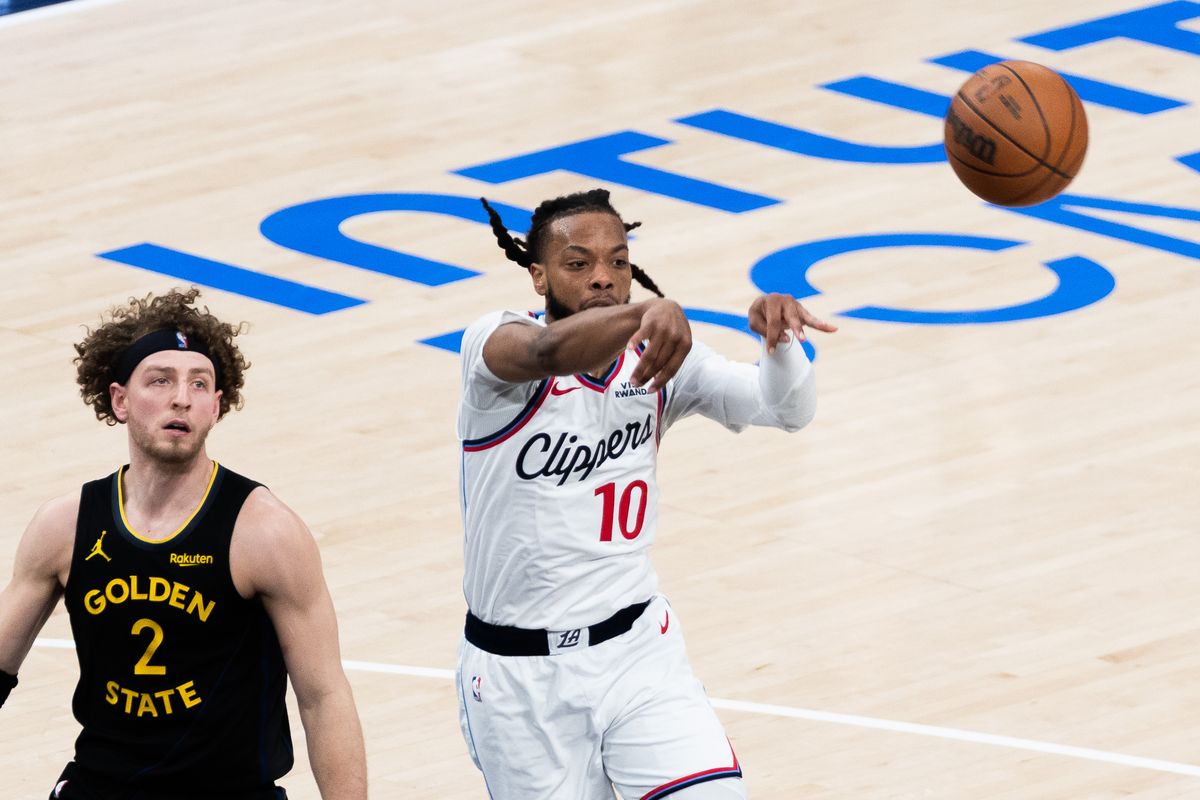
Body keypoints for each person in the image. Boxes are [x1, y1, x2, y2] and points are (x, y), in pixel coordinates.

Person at [455, 188, 837, 799]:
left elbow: (784, 411)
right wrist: (644, 313)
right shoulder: (491, 345)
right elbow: (550, 352)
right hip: (520, 677)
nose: (603, 278)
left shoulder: (660, 357)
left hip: (638, 653)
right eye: (578, 264)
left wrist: (780, 345)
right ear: (537, 275)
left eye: (619, 261)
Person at [0, 289, 367, 800]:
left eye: (200, 384)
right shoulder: (65, 526)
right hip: (100, 787)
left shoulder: (263, 531)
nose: (182, 397)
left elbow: (323, 697)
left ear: (216, 406)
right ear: (119, 399)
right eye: (160, 380)